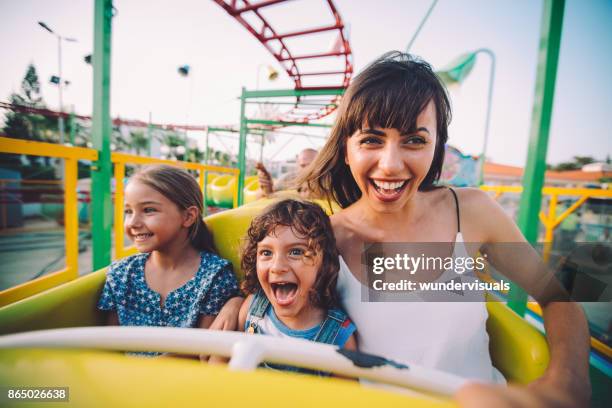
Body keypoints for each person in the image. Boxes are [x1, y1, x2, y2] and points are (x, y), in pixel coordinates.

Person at [295, 52, 591, 406]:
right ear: (346, 150)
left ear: (437, 147)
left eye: (414, 140)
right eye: (372, 140)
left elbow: (556, 296)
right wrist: (240, 304)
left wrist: (565, 382)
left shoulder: (472, 212)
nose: (390, 165)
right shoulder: (325, 239)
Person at [97, 165, 240, 357]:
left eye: (148, 210)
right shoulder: (121, 274)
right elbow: (110, 347)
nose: (133, 223)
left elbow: (203, 355)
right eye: (128, 211)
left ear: (188, 216)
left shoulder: (214, 275)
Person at [238, 199, 357, 375]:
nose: (277, 267)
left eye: (296, 252)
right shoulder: (252, 308)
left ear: (324, 262)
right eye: (266, 253)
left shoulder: (338, 335)